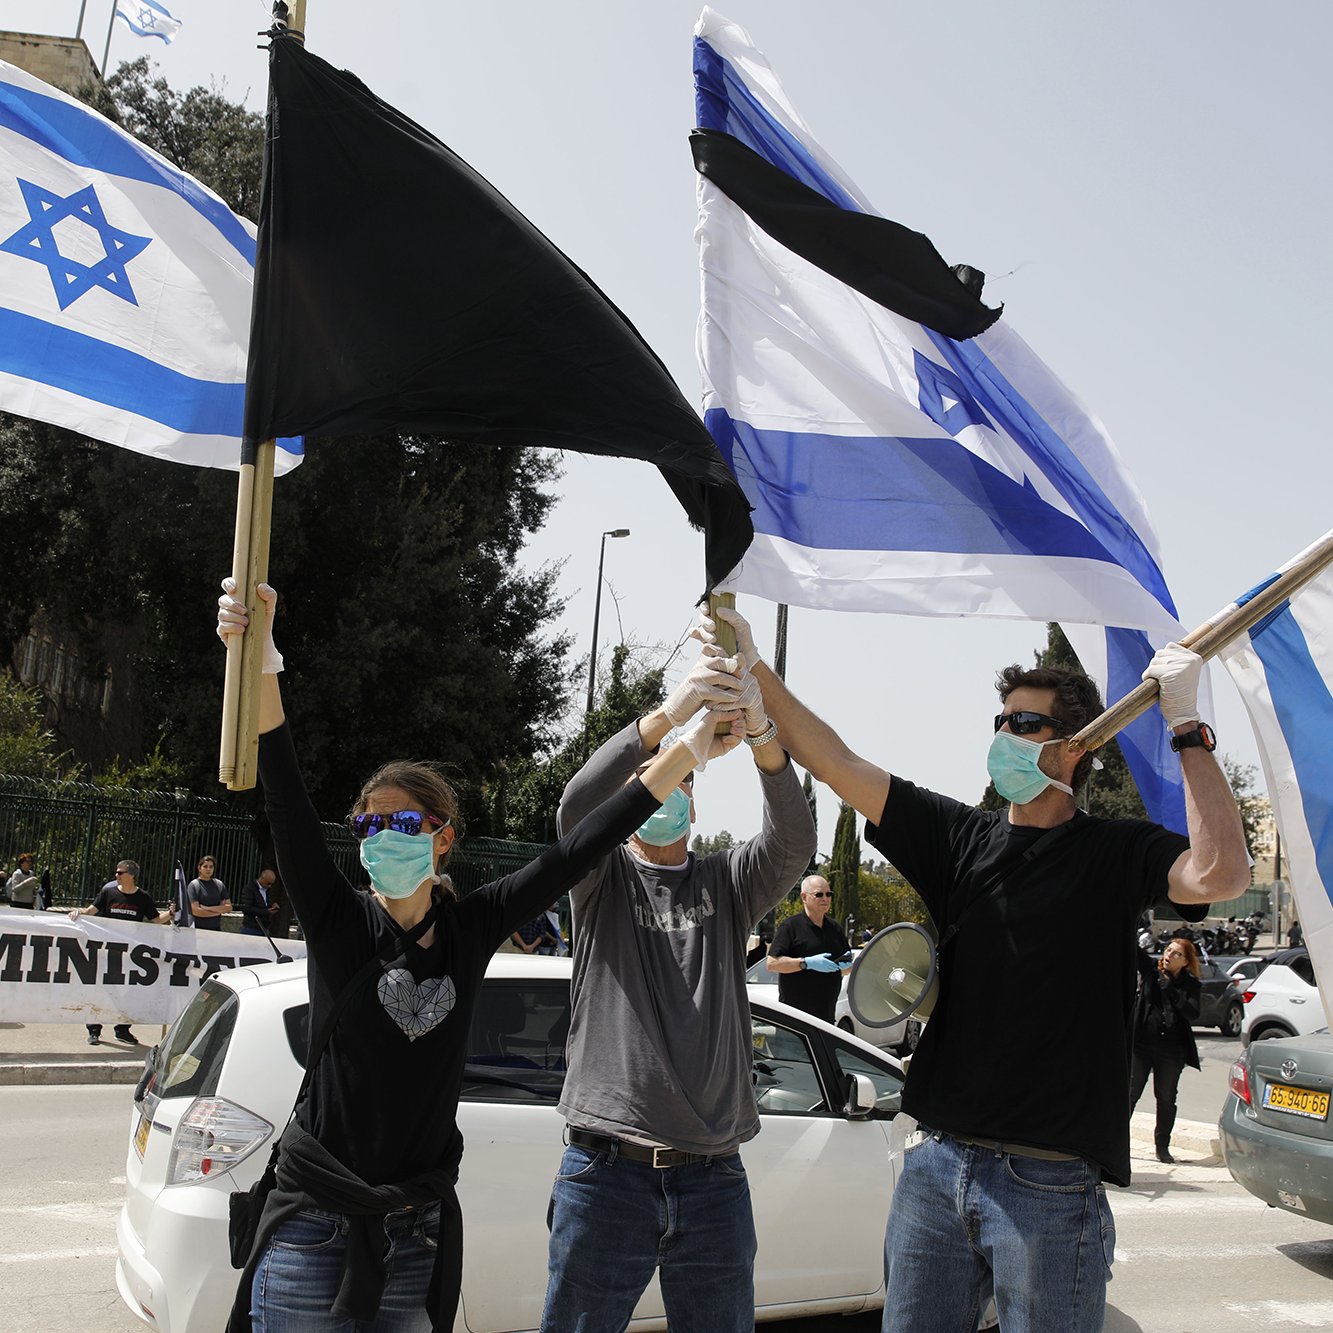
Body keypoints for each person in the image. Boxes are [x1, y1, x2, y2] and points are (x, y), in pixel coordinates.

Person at [216, 578, 748, 1333]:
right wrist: (259, 657)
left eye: (399, 820)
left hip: (414, 1234)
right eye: (366, 825)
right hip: (313, 1228)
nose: (378, 836)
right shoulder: (339, 924)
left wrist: (689, 737)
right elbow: (285, 800)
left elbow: (583, 844)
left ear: (441, 836)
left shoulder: (470, 930)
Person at [699, 605, 1250, 1333]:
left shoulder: (1117, 852)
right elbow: (833, 759)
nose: (1003, 736)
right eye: (1000, 720)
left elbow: (1221, 872)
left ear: (1075, 747)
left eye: (1024, 724)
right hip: (934, 1166)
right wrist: (752, 670)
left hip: (1049, 1184)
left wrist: (1186, 729)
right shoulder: (958, 837)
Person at [540, 643, 816, 1333]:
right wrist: (669, 718)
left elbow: (793, 843)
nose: (668, 794)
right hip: (605, 1172)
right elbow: (577, 805)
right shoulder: (599, 879)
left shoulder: (725, 881)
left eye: (681, 782)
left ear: (695, 794)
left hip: (713, 1177)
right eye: (656, 785)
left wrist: (762, 738)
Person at [69, 859, 171, 1045]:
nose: (116, 875)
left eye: (120, 872)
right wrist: (78, 913)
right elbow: (91, 911)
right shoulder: (109, 892)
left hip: (130, 955)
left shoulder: (143, 897)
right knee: (101, 990)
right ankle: (94, 1031)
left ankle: (122, 1030)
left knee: (129, 993)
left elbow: (156, 921)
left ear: (131, 875)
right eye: (116, 872)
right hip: (106, 951)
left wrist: (171, 913)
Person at [1130, 938, 1202, 1163]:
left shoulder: (1190, 984)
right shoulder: (1152, 971)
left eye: (1177, 953)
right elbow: (1134, 951)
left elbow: (1192, 1013)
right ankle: (1117, 1143)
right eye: (1168, 950)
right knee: (1130, 1094)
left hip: (1172, 1051)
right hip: (1142, 1045)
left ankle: (1162, 1146)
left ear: (1186, 962)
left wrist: (1170, 987)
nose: (1170, 955)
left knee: (1166, 1097)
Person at [765, 874, 853, 1023]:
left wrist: (845, 966)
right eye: (819, 894)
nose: (825, 898)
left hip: (826, 1019)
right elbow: (772, 964)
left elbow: (846, 968)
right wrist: (806, 963)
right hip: (794, 1022)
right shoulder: (791, 927)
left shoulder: (835, 929)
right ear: (804, 897)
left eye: (828, 894)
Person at [186, 854, 232, 930]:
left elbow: (228, 907)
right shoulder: (194, 885)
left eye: (211, 867)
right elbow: (195, 911)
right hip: (197, 929)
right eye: (205, 866)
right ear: (199, 868)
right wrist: (218, 911)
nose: (208, 869)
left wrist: (207, 908)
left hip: (215, 929)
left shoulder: (219, 885)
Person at [238, 868, 282, 937]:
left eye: (271, 884)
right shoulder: (250, 889)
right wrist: (266, 911)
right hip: (251, 927)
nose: (269, 886)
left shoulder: (268, 890)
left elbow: (266, 903)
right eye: (268, 883)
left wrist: (273, 906)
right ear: (262, 878)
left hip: (264, 927)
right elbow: (246, 908)